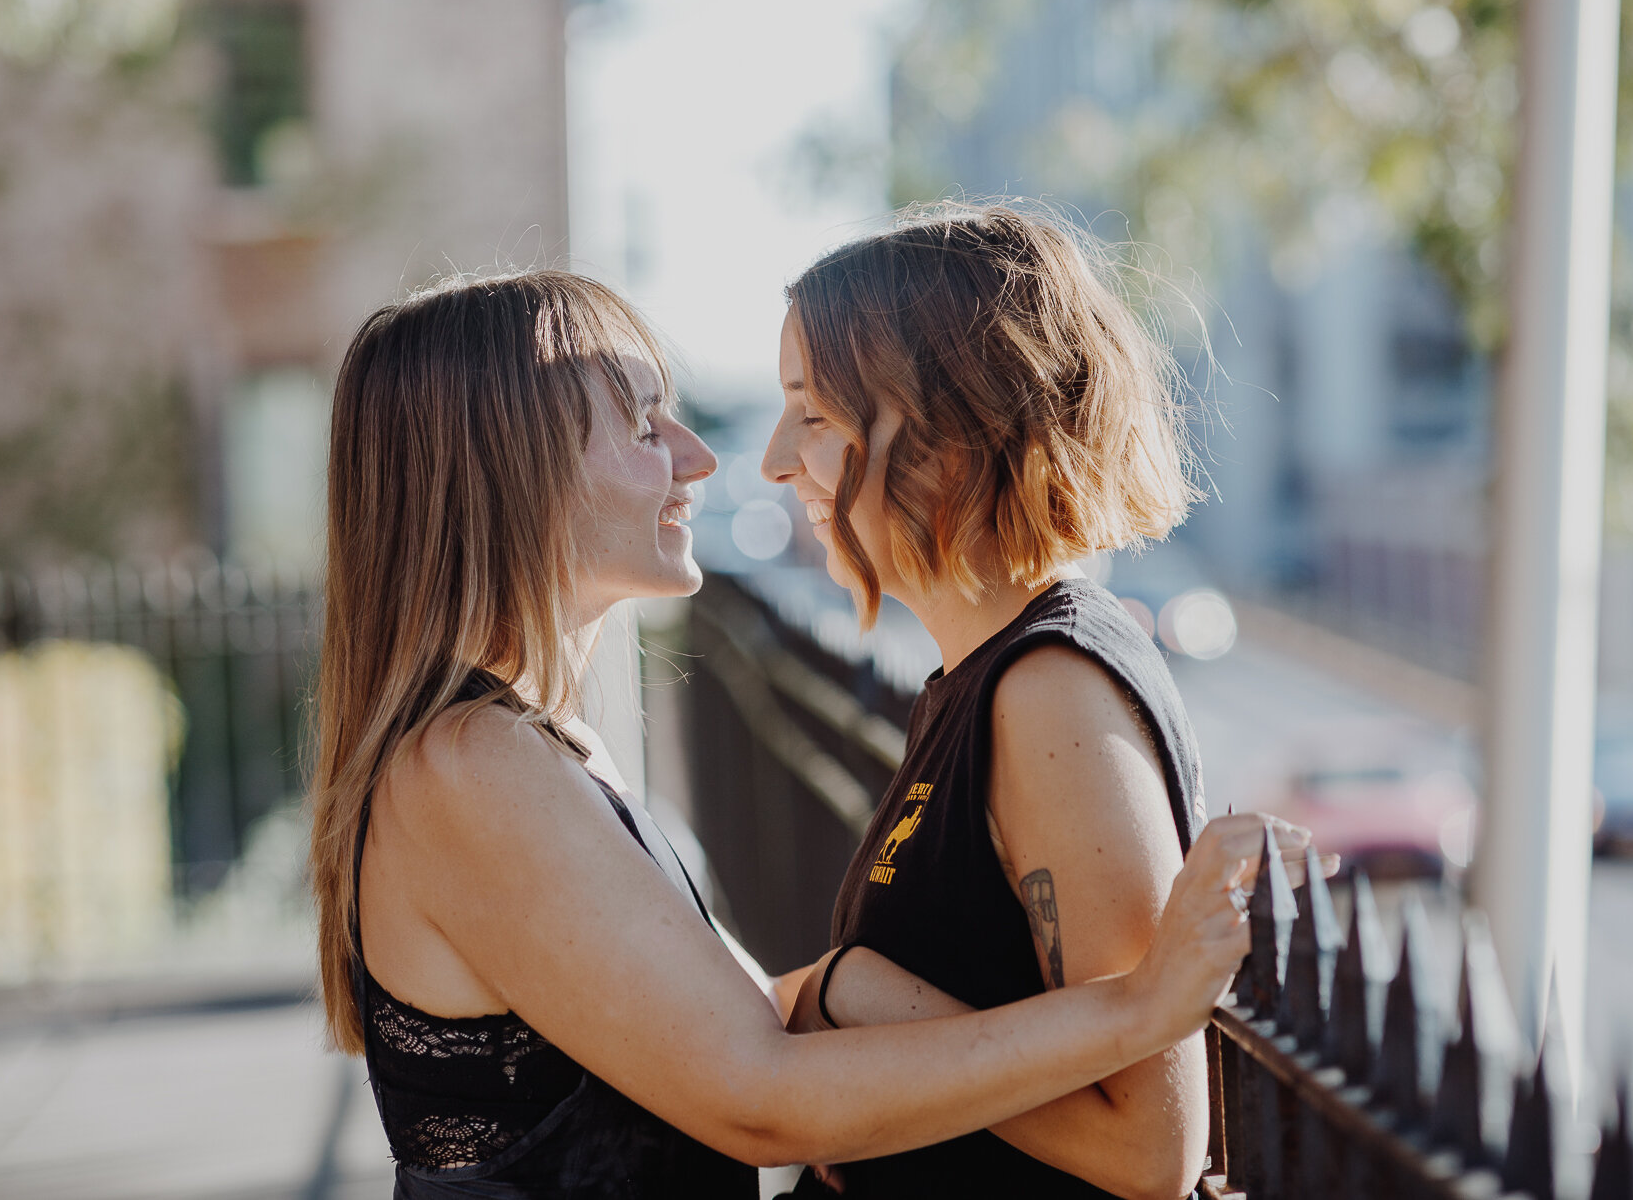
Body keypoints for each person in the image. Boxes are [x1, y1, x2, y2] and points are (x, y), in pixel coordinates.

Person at [307, 269, 1310, 1199]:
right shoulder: (465, 765)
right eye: (644, 424)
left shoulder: (535, 746)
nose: (701, 459)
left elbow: (739, 1024)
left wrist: (849, 987)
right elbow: (759, 1093)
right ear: (506, 470)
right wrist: (1137, 1010)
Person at [762, 204, 1277, 1200]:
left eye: (814, 416)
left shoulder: (1050, 692)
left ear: (946, 436)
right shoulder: (979, 675)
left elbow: (1150, 1149)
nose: (775, 459)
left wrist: (857, 998)